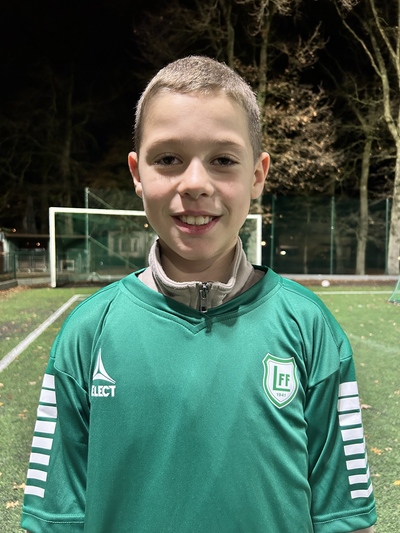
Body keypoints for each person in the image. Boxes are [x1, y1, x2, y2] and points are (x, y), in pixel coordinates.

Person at [21, 55, 376, 532]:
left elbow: (344, 518)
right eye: (168, 159)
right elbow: (55, 520)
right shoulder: (88, 333)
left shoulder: (310, 328)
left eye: (223, 160)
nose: (195, 184)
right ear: (137, 173)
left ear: (257, 174)